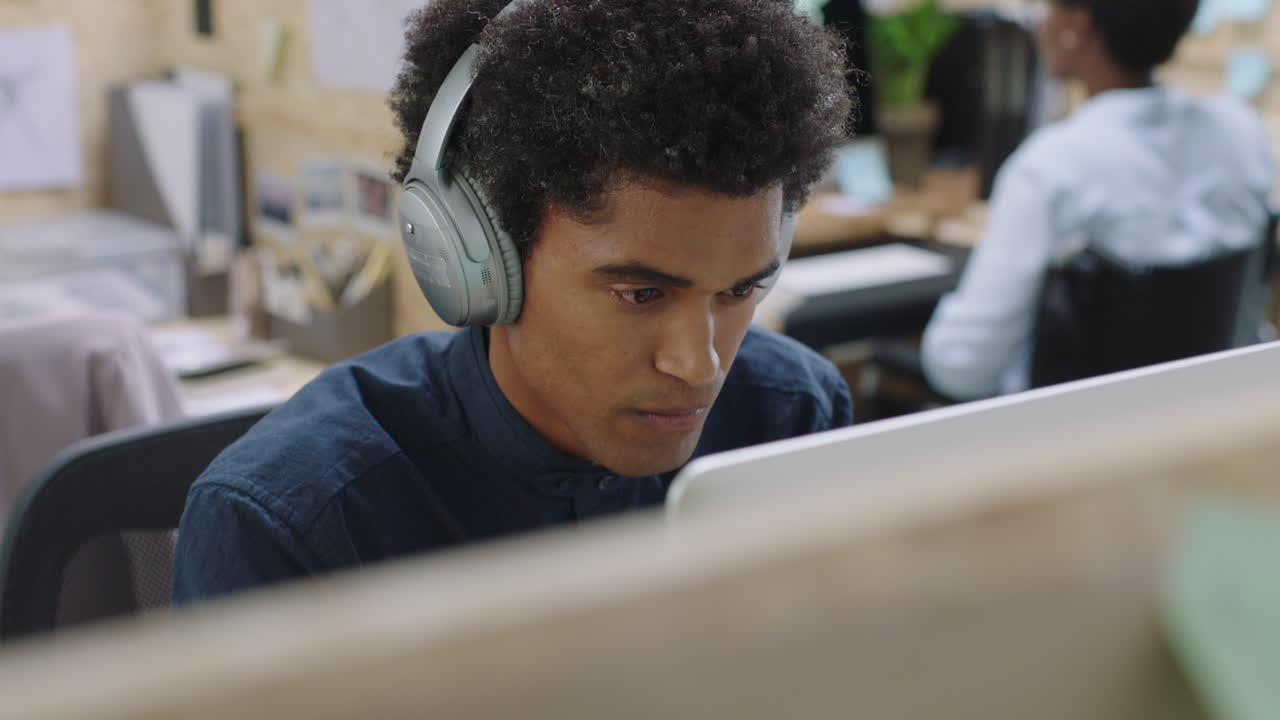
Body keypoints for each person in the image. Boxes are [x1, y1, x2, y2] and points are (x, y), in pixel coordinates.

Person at [172, 0, 856, 603]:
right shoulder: (292, 521)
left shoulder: (794, 412)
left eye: (740, 290)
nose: (700, 365)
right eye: (641, 293)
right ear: (481, 259)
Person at [921, 0, 1275, 400]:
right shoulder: (1241, 133)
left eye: (1047, 9)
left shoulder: (1053, 166)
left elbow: (961, 367)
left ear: (1078, 23)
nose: (1040, 25)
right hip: (1208, 427)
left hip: (1066, 444)